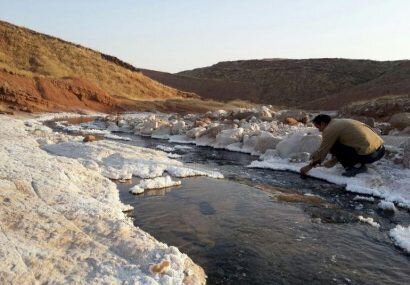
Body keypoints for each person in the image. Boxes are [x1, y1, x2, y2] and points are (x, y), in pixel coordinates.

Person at [300, 114, 385, 177]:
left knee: (334, 145)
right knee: (338, 143)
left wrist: (309, 167)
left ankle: (356, 167)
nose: (319, 131)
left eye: (318, 127)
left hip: (371, 155)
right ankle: (357, 163)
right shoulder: (339, 122)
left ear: (322, 123)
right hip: (381, 150)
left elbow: (323, 150)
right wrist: (331, 162)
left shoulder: (330, 129)